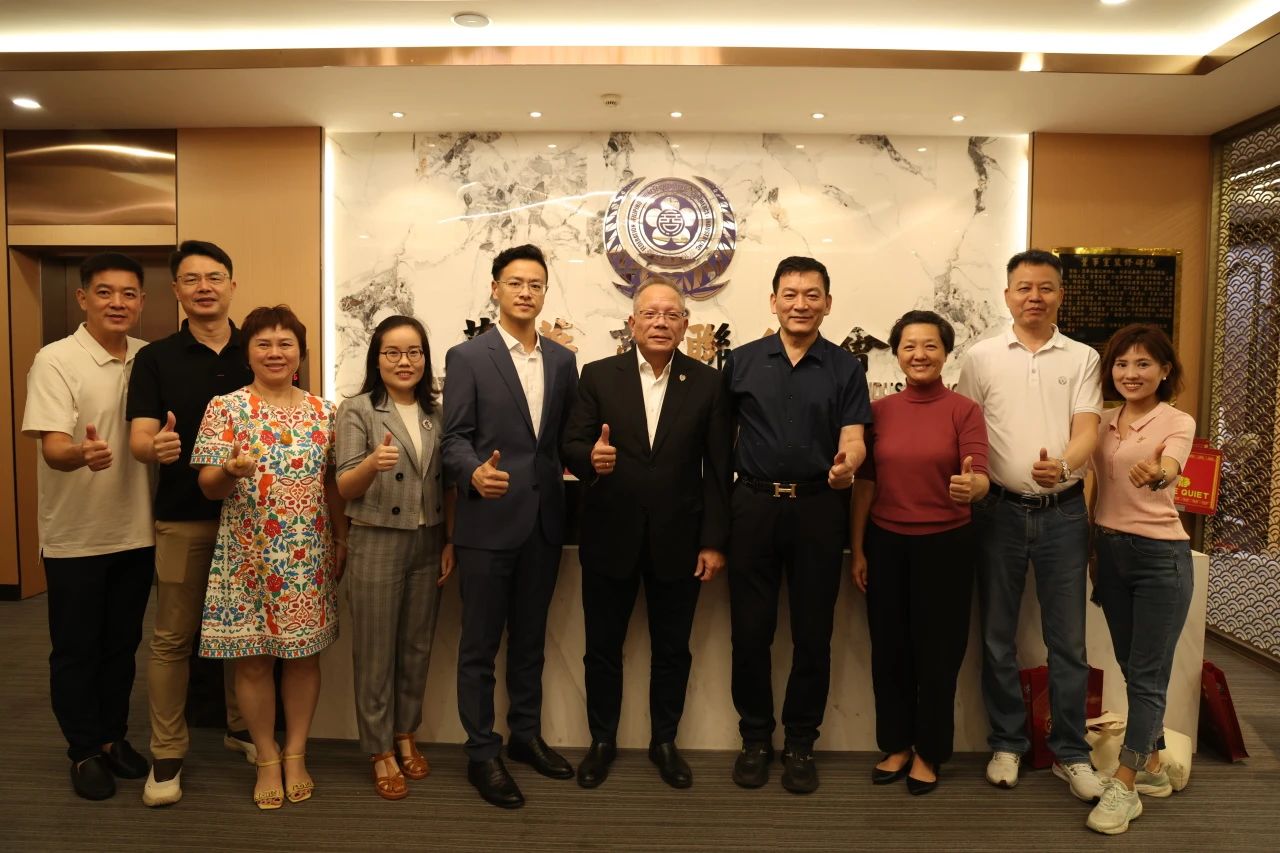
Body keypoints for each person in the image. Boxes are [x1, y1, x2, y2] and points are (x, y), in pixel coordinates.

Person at [561, 279, 732, 790]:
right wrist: (589, 457)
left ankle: (664, 742)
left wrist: (713, 540)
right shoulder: (598, 376)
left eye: (671, 314)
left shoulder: (707, 383)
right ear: (632, 323)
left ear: (686, 325)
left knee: (673, 650)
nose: (660, 322)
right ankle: (601, 742)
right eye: (650, 314)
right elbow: (571, 442)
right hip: (609, 534)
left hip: (679, 540)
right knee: (602, 648)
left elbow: (717, 468)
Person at [956, 249, 1104, 801]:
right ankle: (1007, 743)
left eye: (1045, 287)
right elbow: (967, 431)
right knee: (997, 636)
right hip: (996, 512)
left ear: (1060, 294)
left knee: (1068, 641)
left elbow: (1088, 430)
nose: (1034, 297)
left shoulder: (1083, 357)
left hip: (1064, 513)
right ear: (1007, 295)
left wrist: (1063, 466)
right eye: (1023, 287)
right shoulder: (981, 357)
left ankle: (1071, 752)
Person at [723, 256, 871, 794]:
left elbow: (854, 438)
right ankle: (755, 738)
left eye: (812, 295)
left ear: (828, 304)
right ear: (773, 301)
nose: (800, 304)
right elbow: (717, 442)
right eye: (790, 294)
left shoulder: (846, 367)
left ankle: (801, 742)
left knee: (813, 634)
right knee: (750, 633)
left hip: (818, 507)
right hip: (753, 507)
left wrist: (847, 464)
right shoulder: (740, 362)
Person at [190, 305, 345, 810]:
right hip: (247, 555)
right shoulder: (225, 408)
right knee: (253, 661)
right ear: (248, 353)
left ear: (300, 352)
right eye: (264, 343)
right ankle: (266, 755)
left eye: (285, 343)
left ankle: (296, 752)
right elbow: (208, 486)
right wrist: (229, 471)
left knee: (303, 658)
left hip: (308, 554)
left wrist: (341, 540)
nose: (275, 353)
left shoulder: (326, 412)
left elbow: (332, 486)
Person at [442, 244, 578, 809]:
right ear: (495, 289)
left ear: (545, 293)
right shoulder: (468, 357)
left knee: (529, 641)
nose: (526, 292)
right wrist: (473, 473)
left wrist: (592, 456)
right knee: (478, 646)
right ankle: (482, 751)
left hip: (543, 523)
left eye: (536, 284)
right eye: (516, 283)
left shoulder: (563, 361)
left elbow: (562, 442)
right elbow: (453, 439)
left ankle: (525, 735)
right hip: (487, 522)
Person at [22, 253, 155, 800]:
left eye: (128, 293)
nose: (117, 303)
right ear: (83, 298)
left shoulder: (148, 358)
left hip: (138, 530)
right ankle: (82, 750)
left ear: (142, 301)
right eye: (105, 292)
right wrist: (81, 453)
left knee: (122, 645)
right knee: (76, 648)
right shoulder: (55, 360)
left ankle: (111, 738)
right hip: (76, 536)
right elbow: (53, 448)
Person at [126, 239, 254, 806]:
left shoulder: (259, 349)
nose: (205, 287)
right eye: (192, 279)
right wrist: (154, 447)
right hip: (183, 517)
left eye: (215, 277)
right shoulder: (156, 358)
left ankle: (241, 726)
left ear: (232, 285)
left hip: (255, 522)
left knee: (246, 634)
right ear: (176, 290)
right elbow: (139, 437)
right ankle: (167, 752)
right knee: (173, 639)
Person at [850, 310, 989, 796]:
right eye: (909, 346)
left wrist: (972, 487)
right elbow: (865, 484)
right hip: (886, 543)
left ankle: (929, 751)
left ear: (946, 353)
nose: (920, 355)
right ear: (896, 353)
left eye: (930, 345)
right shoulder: (879, 411)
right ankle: (895, 745)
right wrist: (858, 548)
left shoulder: (964, 410)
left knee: (939, 654)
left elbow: (980, 474)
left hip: (946, 545)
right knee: (889, 650)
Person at [336, 315, 456, 801]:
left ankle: (406, 732)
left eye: (414, 352)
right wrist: (371, 463)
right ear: (377, 358)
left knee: (416, 646)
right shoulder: (358, 409)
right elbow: (344, 486)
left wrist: (450, 540)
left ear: (425, 358)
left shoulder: (438, 413)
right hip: (376, 539)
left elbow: (448, 486)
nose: (404, 362)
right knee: (375, 651)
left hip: (428, 540)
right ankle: (379, 748)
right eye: (393, 352)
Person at [1084, 324, 1195, 835]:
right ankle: (1151, 765)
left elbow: (1171, 465)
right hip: (1109, 553)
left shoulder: (1176, 420)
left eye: (1143, 364)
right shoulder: (1103, 421)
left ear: (1164, 370)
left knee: (1148, 676)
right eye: (1122, 364)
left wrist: (1159, 474)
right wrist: (1092, 548)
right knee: (1131, 667)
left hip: (1159, 558)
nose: (1131, 373)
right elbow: (1092, 486)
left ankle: (1125, 785)